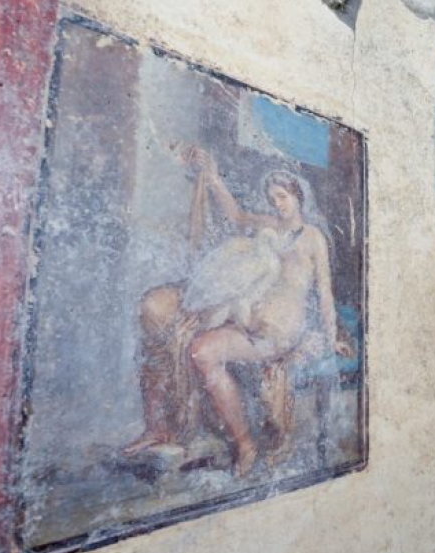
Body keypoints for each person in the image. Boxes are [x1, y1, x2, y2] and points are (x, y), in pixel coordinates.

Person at [124, 148, 351, 478]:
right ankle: (172, 429)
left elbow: (326, 294)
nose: (278, 204)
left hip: (279, 331)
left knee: (201, 350)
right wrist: (213, 176)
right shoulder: (269, 225)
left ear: (298, 197)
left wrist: (332, 337)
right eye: (273, 198)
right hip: (246, 322)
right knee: (192, 343)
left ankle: (245, 446)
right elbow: (237, 216)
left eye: (283, 197)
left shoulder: (314, 238)